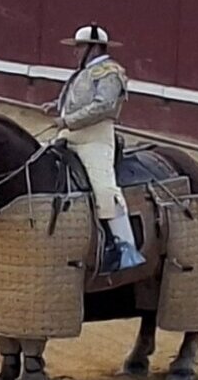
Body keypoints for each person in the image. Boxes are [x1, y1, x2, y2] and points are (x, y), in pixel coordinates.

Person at [51, 25, 144, 274]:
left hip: (95, 140)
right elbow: (76, 101)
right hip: (68, 135)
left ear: (94, 47)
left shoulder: (111, 72)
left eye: (79, 47)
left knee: (104, 188)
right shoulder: (84, 72)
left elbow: (103, 106)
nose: (75, 52)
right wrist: (56, 108)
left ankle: (125, 247)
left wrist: (68, 120)